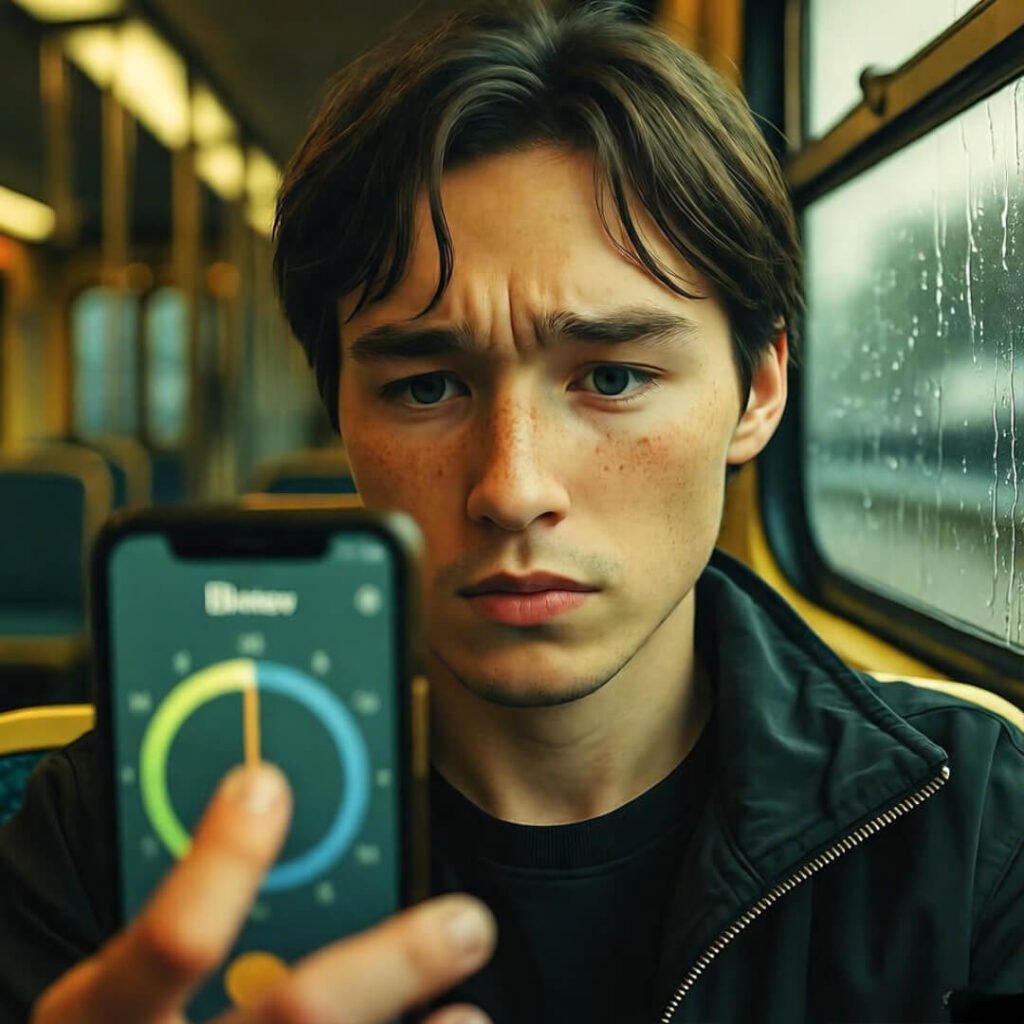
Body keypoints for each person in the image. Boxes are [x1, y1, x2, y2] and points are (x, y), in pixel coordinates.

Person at [2, 1, 1023, 1022]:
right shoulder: (103, 841)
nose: (512, 487)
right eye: (425, 388)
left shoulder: (971, 827)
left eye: (614, 377)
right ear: (340, 417)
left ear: (757, 390)